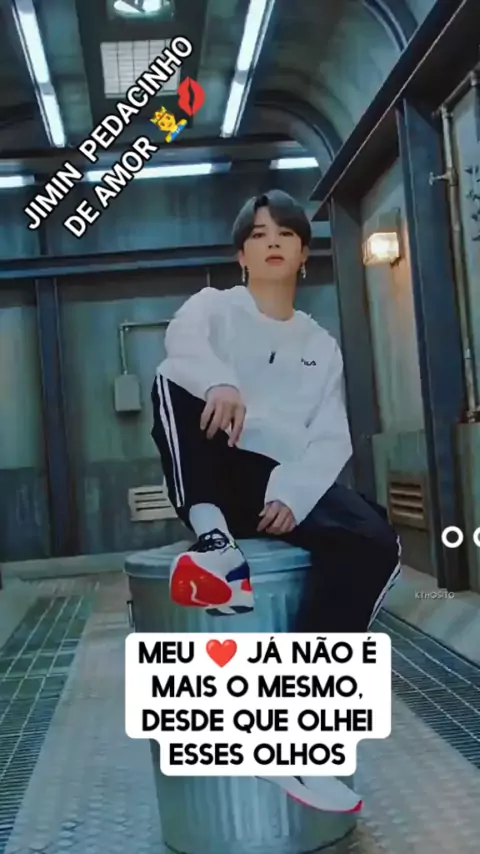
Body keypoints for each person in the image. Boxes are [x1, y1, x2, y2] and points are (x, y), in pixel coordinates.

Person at [150, 189, 401, 814]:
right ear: (241, 255)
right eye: (258, 235)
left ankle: (298, 732)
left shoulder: (320, 343)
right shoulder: (214, 308)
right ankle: (213, 540)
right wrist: (221, 380)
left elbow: (330, 435)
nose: (271, 243)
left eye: (285, 234)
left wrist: (293, 492)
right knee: (170, 376)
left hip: (282, 480)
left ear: (304, 254)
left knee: (375, 540)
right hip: (220, 464)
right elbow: (183, 346)